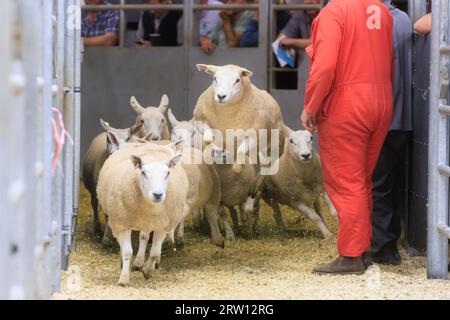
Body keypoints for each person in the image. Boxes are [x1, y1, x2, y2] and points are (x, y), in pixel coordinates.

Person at [301, 0, 394, 275]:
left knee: (345, 182)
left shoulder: (334, 12)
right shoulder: (382, 10)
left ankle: (352, 255)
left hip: (347, 102)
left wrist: (310, 106)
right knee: (362, 180)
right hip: (381, 98)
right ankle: (364, 251)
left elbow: (325, 66)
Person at [370, 0, 413, 265]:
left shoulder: (375, 21)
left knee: (377, 185)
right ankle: (391, 243)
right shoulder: (405, 19)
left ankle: (384, 248)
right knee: (394, 184)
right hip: (405, 115)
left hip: (385, 114)